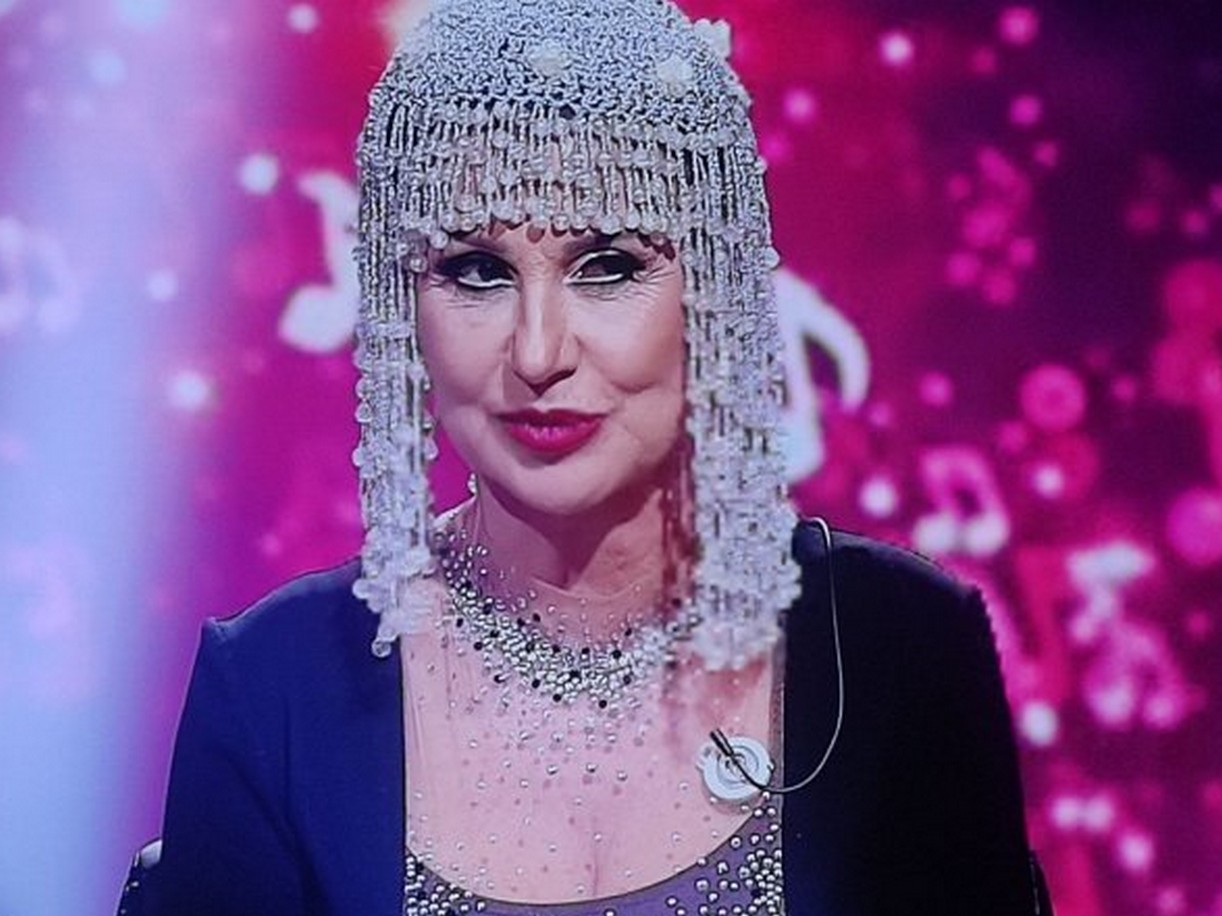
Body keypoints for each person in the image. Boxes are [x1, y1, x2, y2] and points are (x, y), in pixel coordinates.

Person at [134, 0, 1053, 913]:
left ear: (716, 287)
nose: (539, 352)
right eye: (476, 272)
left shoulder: (898, 650)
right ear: (402, 307)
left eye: (608, 266)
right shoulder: (274, 688)